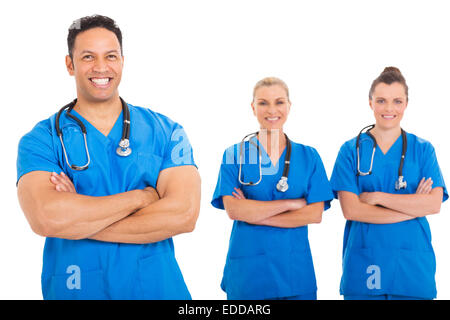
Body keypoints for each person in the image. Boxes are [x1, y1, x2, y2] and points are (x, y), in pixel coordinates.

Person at [16, 15, 201, 300]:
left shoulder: (166, 132)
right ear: (70, 64)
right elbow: (47, 217)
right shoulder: (42, 139)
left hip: (156, 289)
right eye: (88, 56)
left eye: (110, 56)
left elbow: (184, 215)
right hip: (77, 287)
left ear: (122, 61)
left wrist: (77, 219)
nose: (101, 67)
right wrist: (142, 198)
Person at [330, 67, 448, 300]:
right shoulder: (350, 151)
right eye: (381, 100)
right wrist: (413, 206)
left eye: (397, 101)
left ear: (406, 104)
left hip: (412, 265)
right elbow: (351, 210)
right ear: (370, 102)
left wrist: (378, 198)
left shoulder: (423, 150)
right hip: (365, 262)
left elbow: (434, 205)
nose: (389, 108)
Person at [211, 77, 333, 300]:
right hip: (248, 273)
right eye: (263, 103)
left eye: (279, 102)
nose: (272, 110)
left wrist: (254, 214)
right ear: (253, 107)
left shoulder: (309, 156)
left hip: (295, 273)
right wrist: (290, 204)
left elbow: (314, 214)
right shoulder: (234, 155)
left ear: (289, 106)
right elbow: (235, 211)